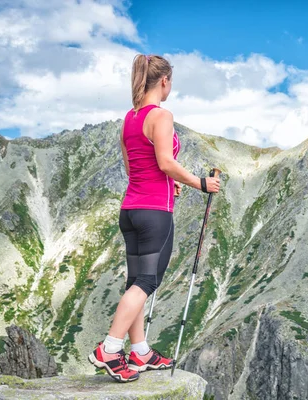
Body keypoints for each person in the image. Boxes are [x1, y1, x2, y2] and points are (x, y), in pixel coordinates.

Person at [87, 54, 221, 383]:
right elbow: (164, 161)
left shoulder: (130, 119)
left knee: (135, 281)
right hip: (154, 213)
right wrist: (200, 183)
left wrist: (170, 182)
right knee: (147, 282)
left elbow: (136, 169)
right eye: (171, 82)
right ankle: (109, 348)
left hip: (130, 209)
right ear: (164, 82)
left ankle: (141, 351)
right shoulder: (161, 116)